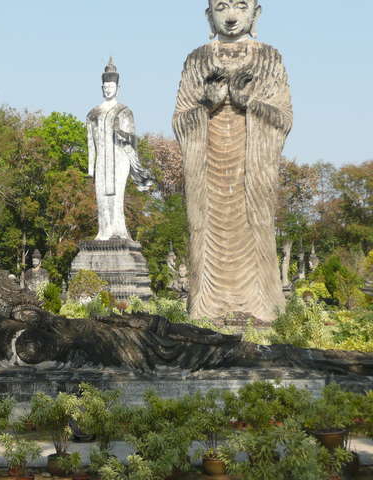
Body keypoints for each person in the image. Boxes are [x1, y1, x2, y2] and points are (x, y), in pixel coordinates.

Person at [173, 0, 291, 322]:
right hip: (207, 168)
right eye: (222, 6)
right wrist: (206, 106)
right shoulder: (197, 59)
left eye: (241, 5)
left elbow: (283, 120)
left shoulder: (269, 58)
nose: (231, 16)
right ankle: (205, 308)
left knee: (257, 230)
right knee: (203, 233)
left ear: (256, 13)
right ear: (209, 15)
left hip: (252, 168)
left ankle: (262, 308)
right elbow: (181, 120)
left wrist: (249, 102)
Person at [86, 58, 151, 241]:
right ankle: (103, 231)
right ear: (102, 87)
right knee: (101, 196)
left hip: (120, 159)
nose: (108, 89)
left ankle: (118, 231)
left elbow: (133, 139)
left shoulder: (124, 111)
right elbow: (90, 142)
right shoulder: (93, 114)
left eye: (111, 86)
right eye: (106, 86)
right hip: (102, 160)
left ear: (118, 87)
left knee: (116, 196)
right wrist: (90, 169)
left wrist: (121, 133)